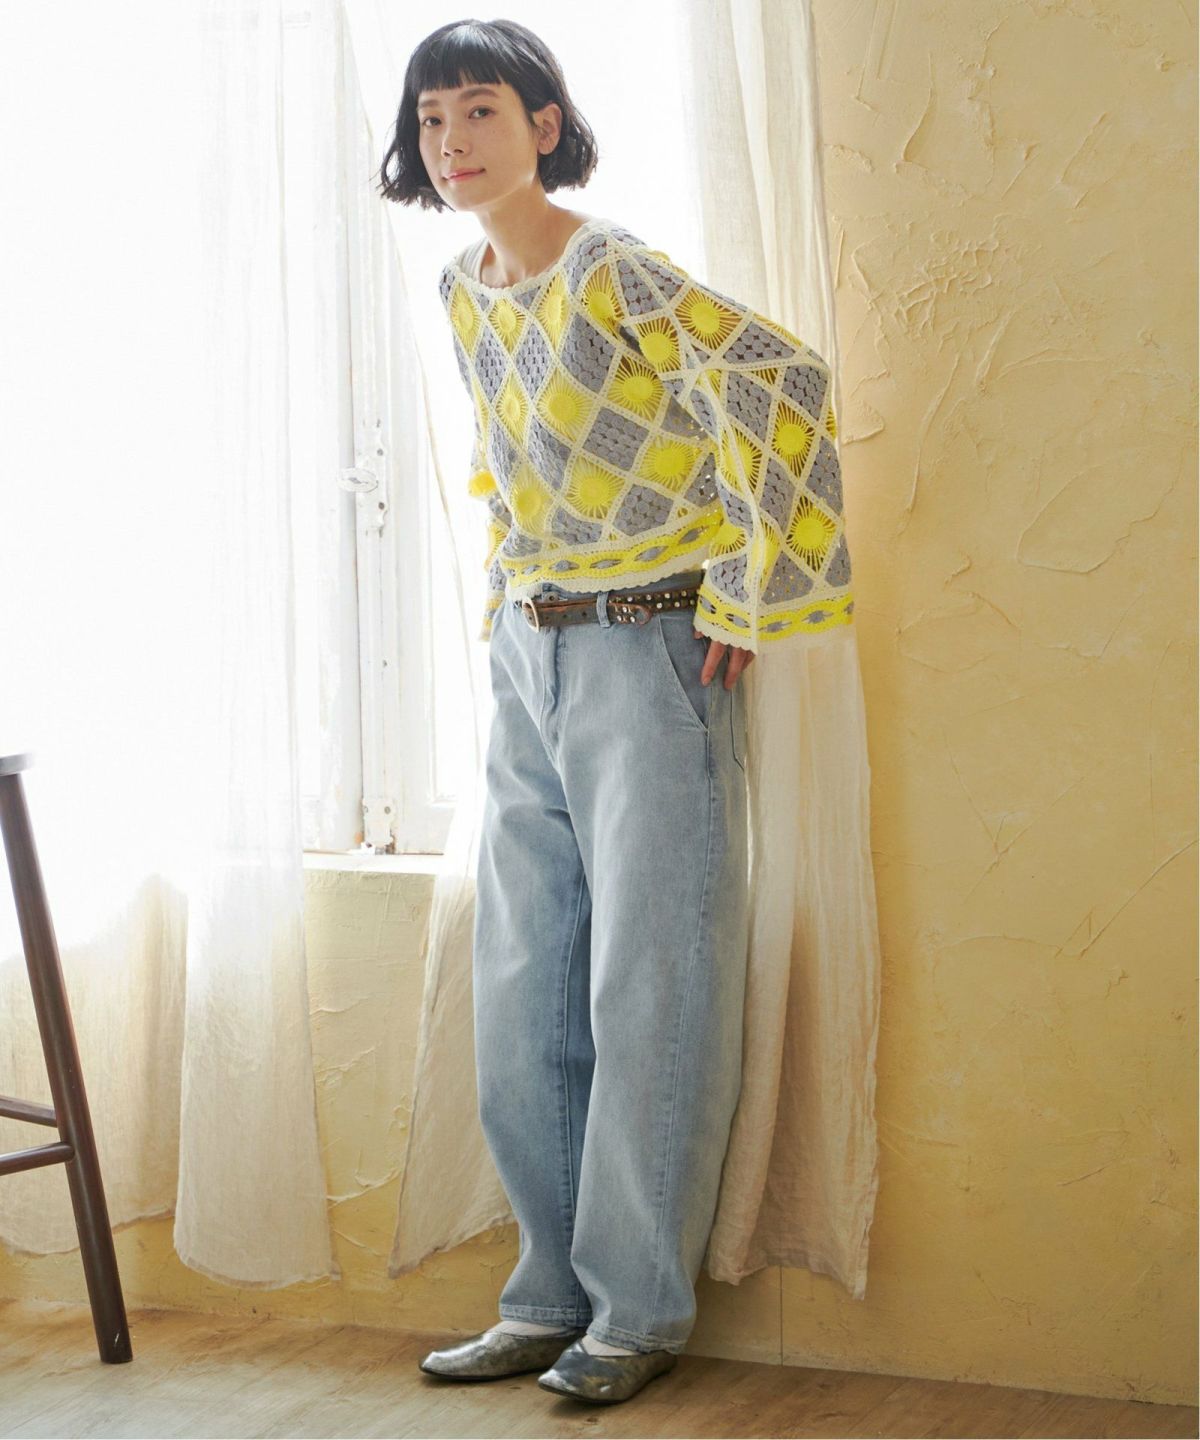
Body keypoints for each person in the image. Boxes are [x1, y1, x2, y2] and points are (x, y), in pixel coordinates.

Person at [378, 16, 850, 1408]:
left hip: (650, 652)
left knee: (653, 977)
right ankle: (547, 1294)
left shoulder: (612, 266)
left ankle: (636, 1310)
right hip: (528, 651)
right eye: (431, 121)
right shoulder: (467, 291)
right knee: (526, 978)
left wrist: (745, 593)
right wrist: (504, 613)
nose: (452, 143)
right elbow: (515, 465)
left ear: (543, 124)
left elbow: (783, 383)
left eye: (480, 111)